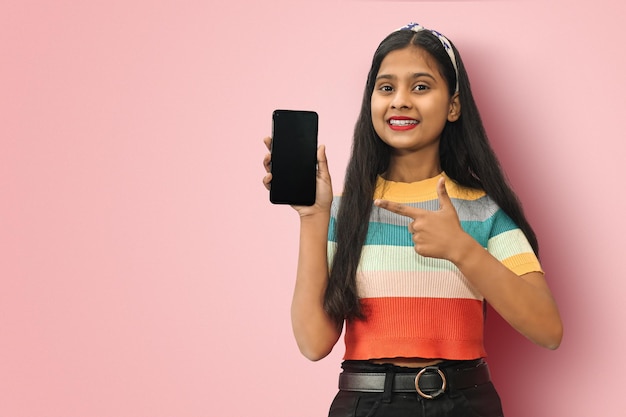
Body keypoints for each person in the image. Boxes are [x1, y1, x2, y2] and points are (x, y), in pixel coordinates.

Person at [262, 22, 562, 417]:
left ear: (453, 105)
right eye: (386, 88)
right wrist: (314, 217)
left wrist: (461, 249)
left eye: (420, 86)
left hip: (465, 403)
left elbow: (548, 330)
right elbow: (314, 343)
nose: (400, 101)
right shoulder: (343, 211)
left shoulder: (483, 211)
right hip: (364, 405)